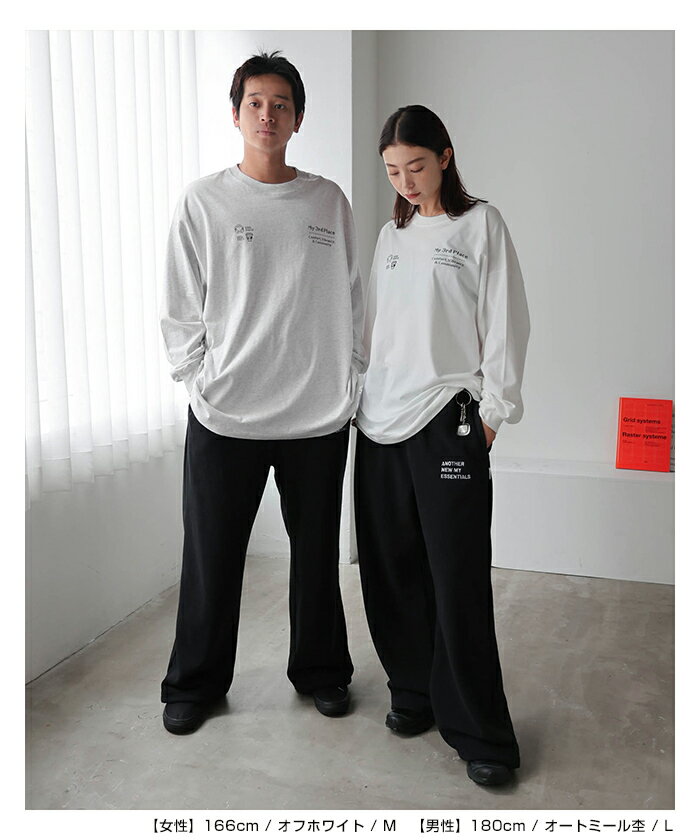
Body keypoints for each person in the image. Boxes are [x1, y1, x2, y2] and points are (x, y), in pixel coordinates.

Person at [159, 51, 365, 734]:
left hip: (317, 413)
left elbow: (354, 297)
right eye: (255, 103)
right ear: (236, 114)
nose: (267, 115)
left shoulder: (328, 200)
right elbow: (179, 305)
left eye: (281, 105)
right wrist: (197, 378)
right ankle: (195, 684)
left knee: (317, 557)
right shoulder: (204, 200)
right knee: (211, 557)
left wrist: (352, 374)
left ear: (298, 118)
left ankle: (322, 672)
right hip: (226, 413)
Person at [354, 105, 529, 786]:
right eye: (393, 171)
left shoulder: (481, 224)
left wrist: (493, 414)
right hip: (380, 423)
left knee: (457, 575)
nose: (405, 181)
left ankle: (481, 732)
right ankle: (413, 689)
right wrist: (360, 395)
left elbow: (506, 322)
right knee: (390, 568)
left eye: (417, 166)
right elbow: (374, 327)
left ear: (446, 157)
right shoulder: (391, 236)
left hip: (447, 418)